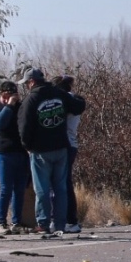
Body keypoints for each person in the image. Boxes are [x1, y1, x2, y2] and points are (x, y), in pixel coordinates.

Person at [17, 68, 86, 235]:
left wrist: (27, 146)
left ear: (32, 82)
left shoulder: (31, 100)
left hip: (40, 151)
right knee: (60, 187)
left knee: (42, 189)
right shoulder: (59, 94)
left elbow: (24, 127)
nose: (26, 86)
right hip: (61, 148)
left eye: (27, 83)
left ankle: (43, 223)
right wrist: (77, 97)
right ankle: (60, 224)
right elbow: (78, 107)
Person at [0, 80, 30, 235]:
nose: (9, 98)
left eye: (12, 95)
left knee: (19, 189)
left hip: (20, 153)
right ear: (1, 95)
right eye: (5, 95)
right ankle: (1, 222)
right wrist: (8, 106)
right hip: (3, 153)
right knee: (6, 187)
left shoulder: (21, 109)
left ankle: (16, 222)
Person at [51, 75, 83, 233]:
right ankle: (69, 220)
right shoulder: (75, 100)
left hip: (64, 144)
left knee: (61, 183)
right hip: (71, 143)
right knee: (64, 182)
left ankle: (68, 220)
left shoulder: (63, 100)